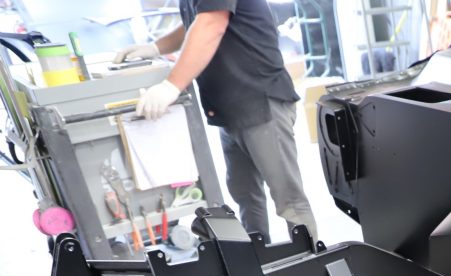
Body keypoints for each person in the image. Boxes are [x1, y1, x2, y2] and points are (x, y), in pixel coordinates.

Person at [115, 0, 319, 244]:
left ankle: (313, 261)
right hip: (230, 109)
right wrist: (155, 47)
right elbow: (196, 20)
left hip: (260, 101)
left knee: (289, 200)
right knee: (245, 193)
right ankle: (259, 254)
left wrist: (172, 85)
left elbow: (211, 24)